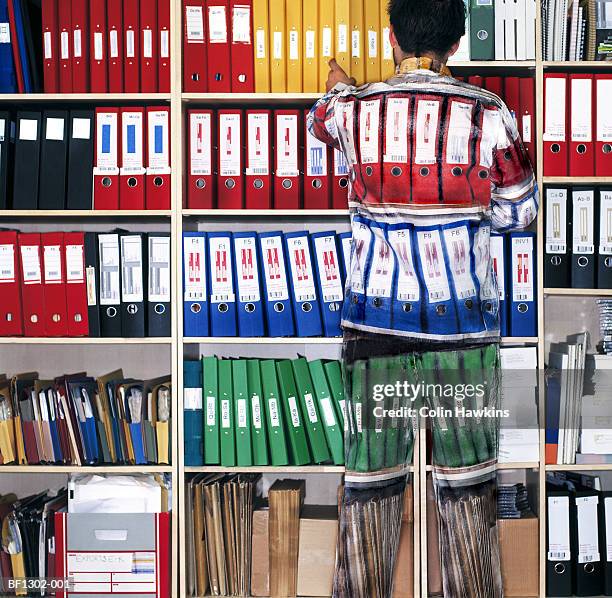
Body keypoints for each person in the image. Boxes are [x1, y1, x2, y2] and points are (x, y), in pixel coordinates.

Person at [307, 1, 538, 597]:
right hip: (462, 335)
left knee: (370, 498)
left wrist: (341, 84)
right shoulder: (491, 114)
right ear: (456, 45)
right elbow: (520, 213)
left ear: (391, 37)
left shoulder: (353, 112)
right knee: (467, 502)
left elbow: (322, 116)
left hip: (375, 333)